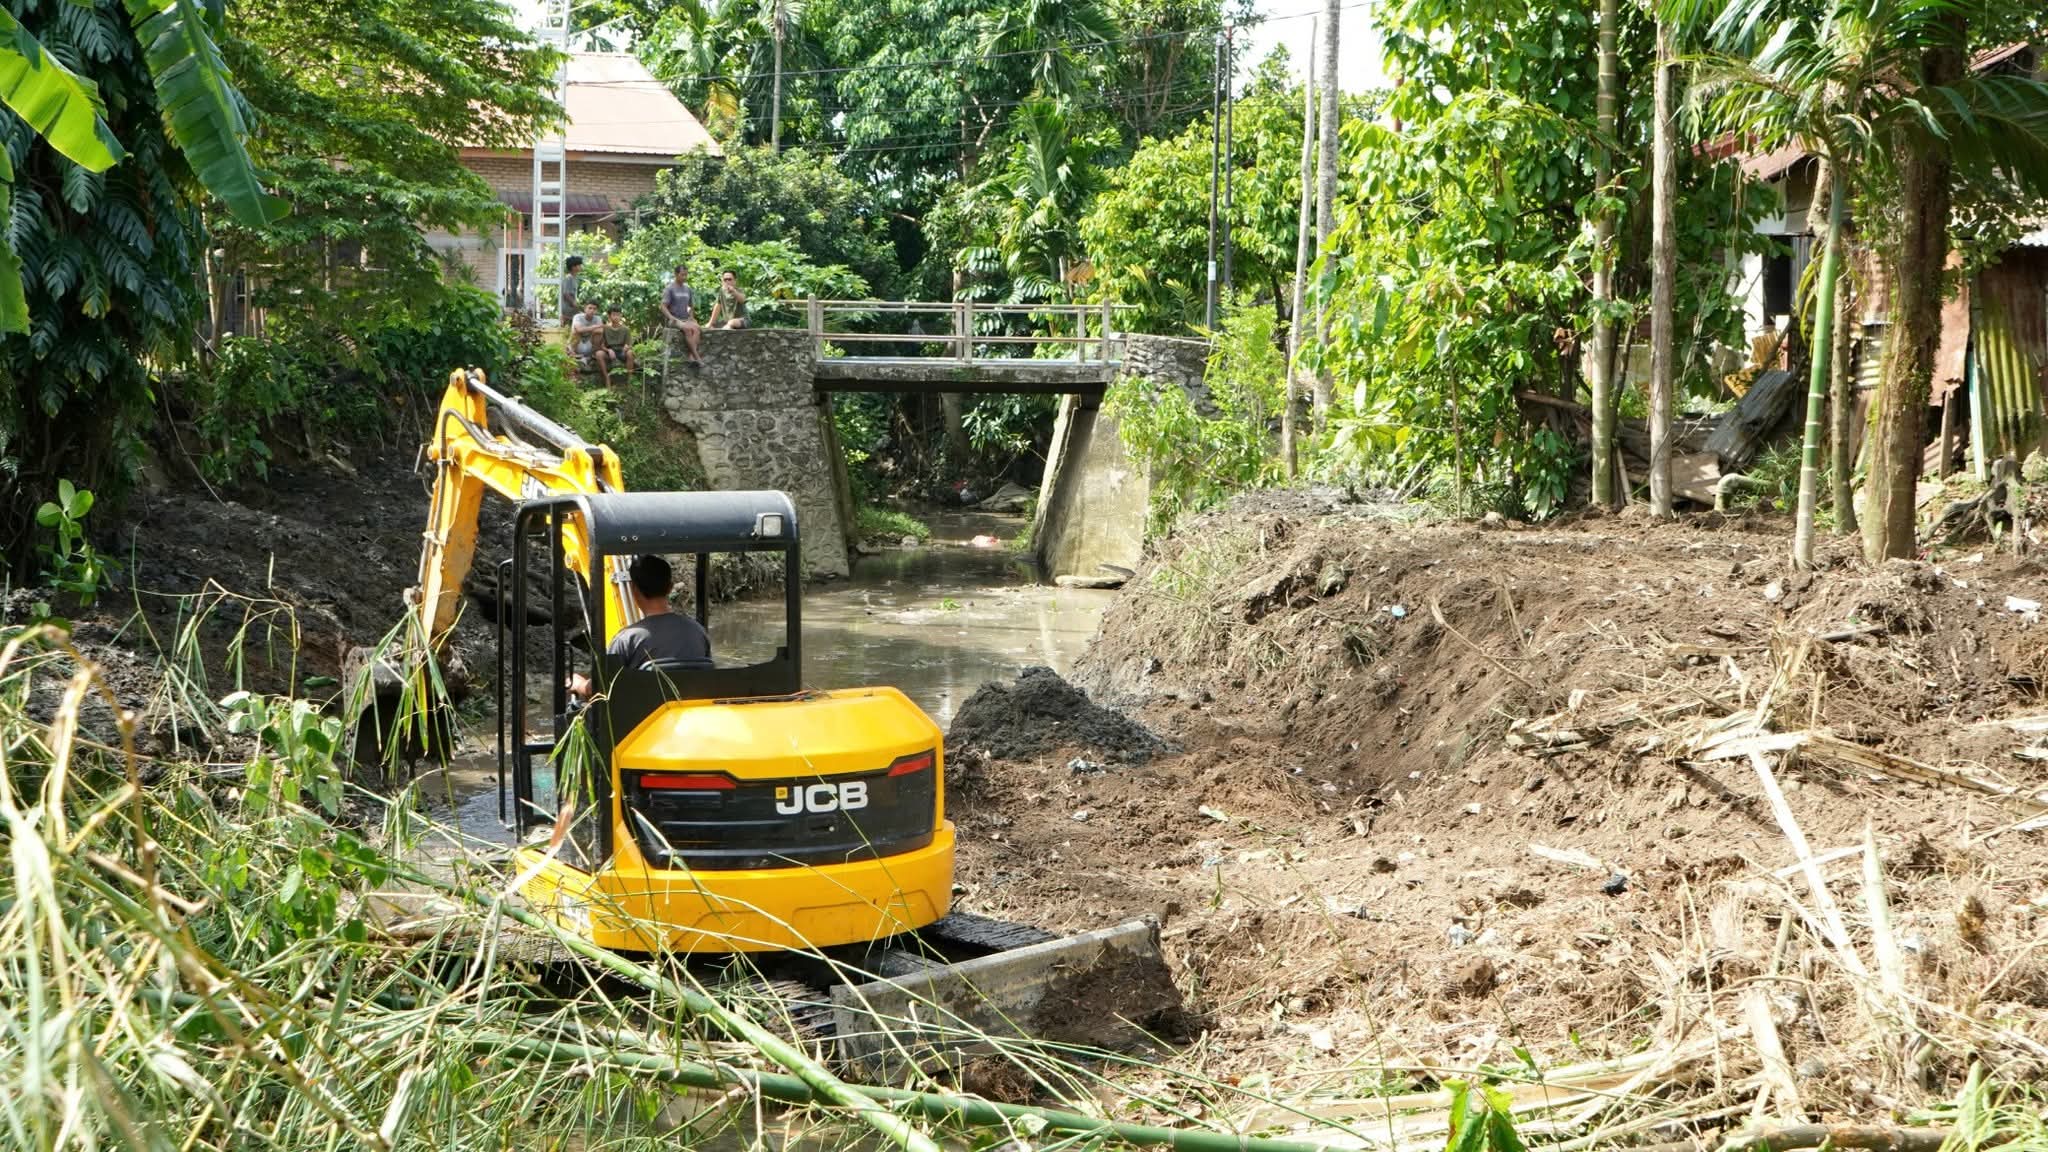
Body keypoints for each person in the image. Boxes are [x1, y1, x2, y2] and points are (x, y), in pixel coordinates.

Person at [569, 555, 711, 699]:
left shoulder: (626, 640)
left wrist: (579, 684)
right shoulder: (698, 631)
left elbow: (602, 690)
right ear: (670, 587)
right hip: (694, 709)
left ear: (634, 589)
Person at [660, 264, 703, 364]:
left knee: (697, 329)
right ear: (676, 274)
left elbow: (691, 306)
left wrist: (691, 317)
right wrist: (671, 317)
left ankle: (691, 356)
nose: (684, 277)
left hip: (685, 319)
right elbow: (663, 306)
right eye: (682, 275)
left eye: (686, 275)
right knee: (687, 329)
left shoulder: (688, 289)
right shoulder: (669, 289)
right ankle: (697, 357)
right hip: (674, 320)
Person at [570, 301, 610, 386]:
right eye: (590, 308)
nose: (592, 310)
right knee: (575, 332)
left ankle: (592, 354)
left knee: (598, 333)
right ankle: (573, 354)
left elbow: (601, 330)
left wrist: (590, 329)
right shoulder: (577, 317)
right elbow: (578, 329)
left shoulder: (597, 318)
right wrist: (593, 327)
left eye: (594, 309)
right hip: (577, 344)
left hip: (590, 344)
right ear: (585, 309)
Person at [600, 305, 637, 378]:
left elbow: (629, 344)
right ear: (609, 316)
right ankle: (606, 378)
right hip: (610, 351)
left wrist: (626, 347)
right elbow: (602, 345)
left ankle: (629, 378)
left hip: (622, 351)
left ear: (621, 316)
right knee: (599, 354)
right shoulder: (605, 328)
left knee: (630, 353)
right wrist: (608, 350)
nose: (616, 317)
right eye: (614, 315)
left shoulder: (625, 329)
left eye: (618, 315)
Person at [559, 256, 585, 326]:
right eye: (579, 265)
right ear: (573, 267)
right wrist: (575, 305)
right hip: (568, 310)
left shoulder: (574, 278)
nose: (580, 267)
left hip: (572, 309)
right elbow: (566, 294)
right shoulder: (568, 278)